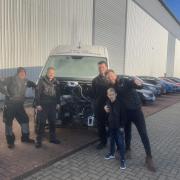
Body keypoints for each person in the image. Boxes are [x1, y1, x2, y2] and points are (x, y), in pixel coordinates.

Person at [105, 69, 156, 172]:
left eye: (111, 75)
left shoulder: (124, 80)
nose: (110, 77)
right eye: (108, 77)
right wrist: (105, 106)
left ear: (114, 74)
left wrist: (139, 83)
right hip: (126, 113)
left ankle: (149, 157)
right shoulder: (111, 87)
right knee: (127, 133)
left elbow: (136, 85)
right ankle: (128, 150)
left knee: (143, 133)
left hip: (136, 111)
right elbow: (109, 97)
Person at [0, 67, 36, 149]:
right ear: (17, 73)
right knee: (8, 123)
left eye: (24, 73)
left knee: (25, 120)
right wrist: (6, 92)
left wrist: (36, 86)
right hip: (10, 105)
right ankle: (10, 142)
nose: (23, 74)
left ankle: (25, 138)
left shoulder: (26, 81)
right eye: (21, 72)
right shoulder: (10, 79)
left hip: (19, 106)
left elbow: (33, 84)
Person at [35, 67, 61, 148]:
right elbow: (37, 93)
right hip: (43, 105)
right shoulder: (41, 81)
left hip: (52, 105)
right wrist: (38, 104)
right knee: (41, 123)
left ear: (54, 74)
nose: (51, 74)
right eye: (50, 72)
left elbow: (58, 94)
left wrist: (58, 103)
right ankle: (39, 140)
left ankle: (52, 138)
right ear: (47, 72)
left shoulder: (56, 82)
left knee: (52, 122)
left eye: (53, 73)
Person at [104, 88, 126, 170]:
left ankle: (123, 159)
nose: (111, 96)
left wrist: (122, 126)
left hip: (118, 127)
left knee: (121, 143)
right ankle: (111, 154)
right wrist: (106, 124)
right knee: (112, 140)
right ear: (107, 95)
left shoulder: (120, 103)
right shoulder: (107, 103)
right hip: (111, 126)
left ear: (116, 94)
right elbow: (107, 115)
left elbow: (124, 116)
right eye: (109, 95)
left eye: (112, 94)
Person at [92, 61, 109, 149]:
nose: (101, 69)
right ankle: (103, 142)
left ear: (106, 67)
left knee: (112, 124)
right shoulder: (95, 80)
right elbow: (94, 95)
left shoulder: (110, 78)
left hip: (110, 106)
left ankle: (116, 142)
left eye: (102, 67)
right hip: (99, 106)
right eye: (99, 68)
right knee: (100, 125)